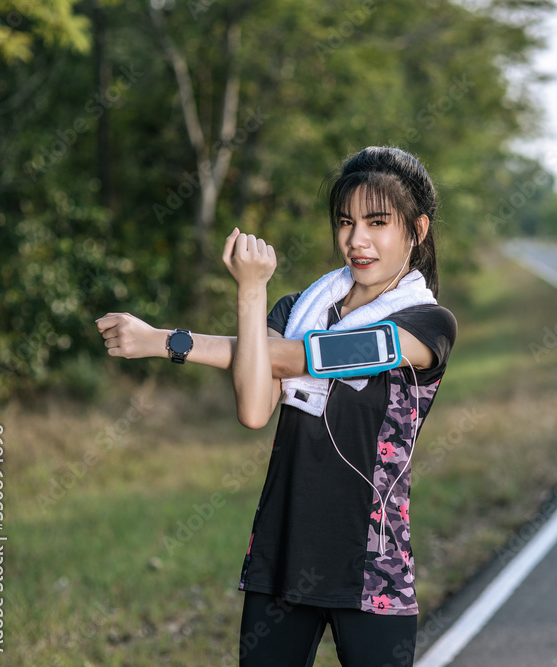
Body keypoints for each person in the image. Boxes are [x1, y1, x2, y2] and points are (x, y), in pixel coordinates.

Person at [96, 146, 457, 666]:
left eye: (378, 222)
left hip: (371, 566)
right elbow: (254, 407)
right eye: (346, 222)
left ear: (416, 230)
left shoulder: (427, 325)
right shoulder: (295, 309)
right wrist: (252, 294)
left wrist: (167, 341)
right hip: (283, 552)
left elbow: (305, 358)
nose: (357, 240)